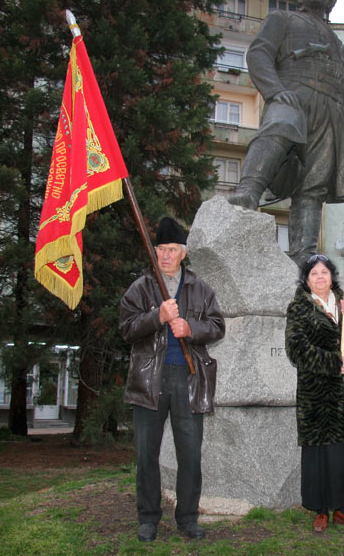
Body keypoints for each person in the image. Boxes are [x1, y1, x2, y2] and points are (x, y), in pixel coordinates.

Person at [226, 0, 344, 266]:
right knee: (279, 127)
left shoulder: (336, 41)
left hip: (331, 109)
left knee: (314, 184)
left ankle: (304, 253)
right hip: (292, 93)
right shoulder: (282, 19)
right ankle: (249, 191)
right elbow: (259, 54)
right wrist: (274, 90)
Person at [119, 217, 226, 542]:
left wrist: (191, 328)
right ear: (155, 251)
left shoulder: (200, 288)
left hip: (189, 380)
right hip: (149, 381)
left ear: (183, 253)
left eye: (172, 250)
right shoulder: (141, 287)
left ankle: (188, 518)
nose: (166, 255)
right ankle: (148, 518)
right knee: (146, 455)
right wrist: (158, 317)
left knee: (190, 455)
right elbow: (126, 328)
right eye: (161, 249)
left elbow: (217, 326)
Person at [285, 254, 344, 532]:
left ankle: (343, 510)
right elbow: (296, 349)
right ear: (306, 280)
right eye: (314, 273)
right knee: (320, 454)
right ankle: (321, 510)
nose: (320, 277)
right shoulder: (299, 308)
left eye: (324, 272)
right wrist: (332, 362)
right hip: (317, 395)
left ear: (332, 276)